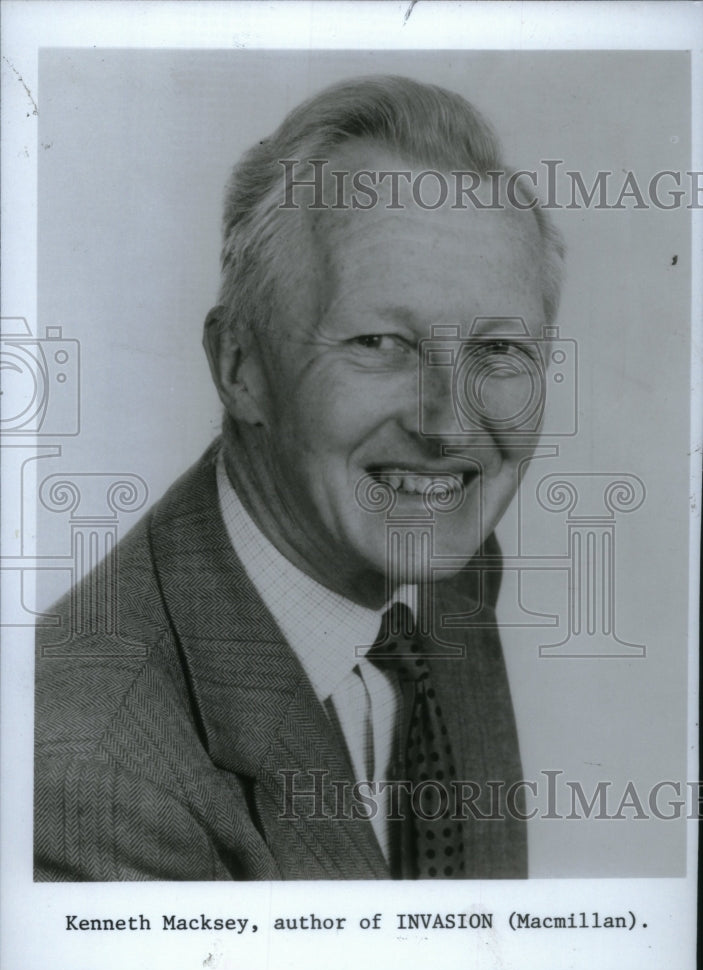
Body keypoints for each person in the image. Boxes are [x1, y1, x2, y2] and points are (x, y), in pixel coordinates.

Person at [34, 75, 564, 881]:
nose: (450, 426)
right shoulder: (91, 778)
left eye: (498, 351)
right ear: (239, 365)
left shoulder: (445, 571)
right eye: (381, 342)